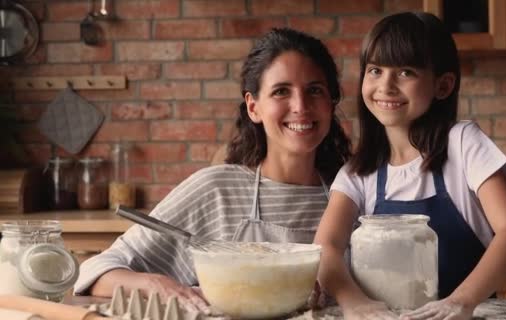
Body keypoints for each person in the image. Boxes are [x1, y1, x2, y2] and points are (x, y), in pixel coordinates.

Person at [74, 27, 351, 311]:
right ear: (253, 107)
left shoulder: (353, 192)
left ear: (331, 103)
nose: (300, 106)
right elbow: (96, 270)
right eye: (281, 91)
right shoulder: (216, 191)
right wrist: (156, 284)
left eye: (314, 90)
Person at [313, 12, 506, 320]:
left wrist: (461, 302)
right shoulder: (358, 173)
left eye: (405, 72)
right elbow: (326, 247)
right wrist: (355, 303)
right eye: (375, 70)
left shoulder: (462, 144)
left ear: (442, 85)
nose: (386, 86)